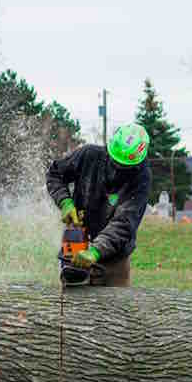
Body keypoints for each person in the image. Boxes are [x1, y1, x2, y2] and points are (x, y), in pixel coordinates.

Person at [46, 122, 151, 287]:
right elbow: (55, 174)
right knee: (72, 306)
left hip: (114, 257)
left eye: (124, 167)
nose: (117, 169)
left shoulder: (140, 179)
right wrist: (65, 201)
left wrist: (96, 250)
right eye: (115, 162)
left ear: (137, 163)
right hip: (79, 238)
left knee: (114, 309)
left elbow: (124, 224)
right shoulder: (89, 155)